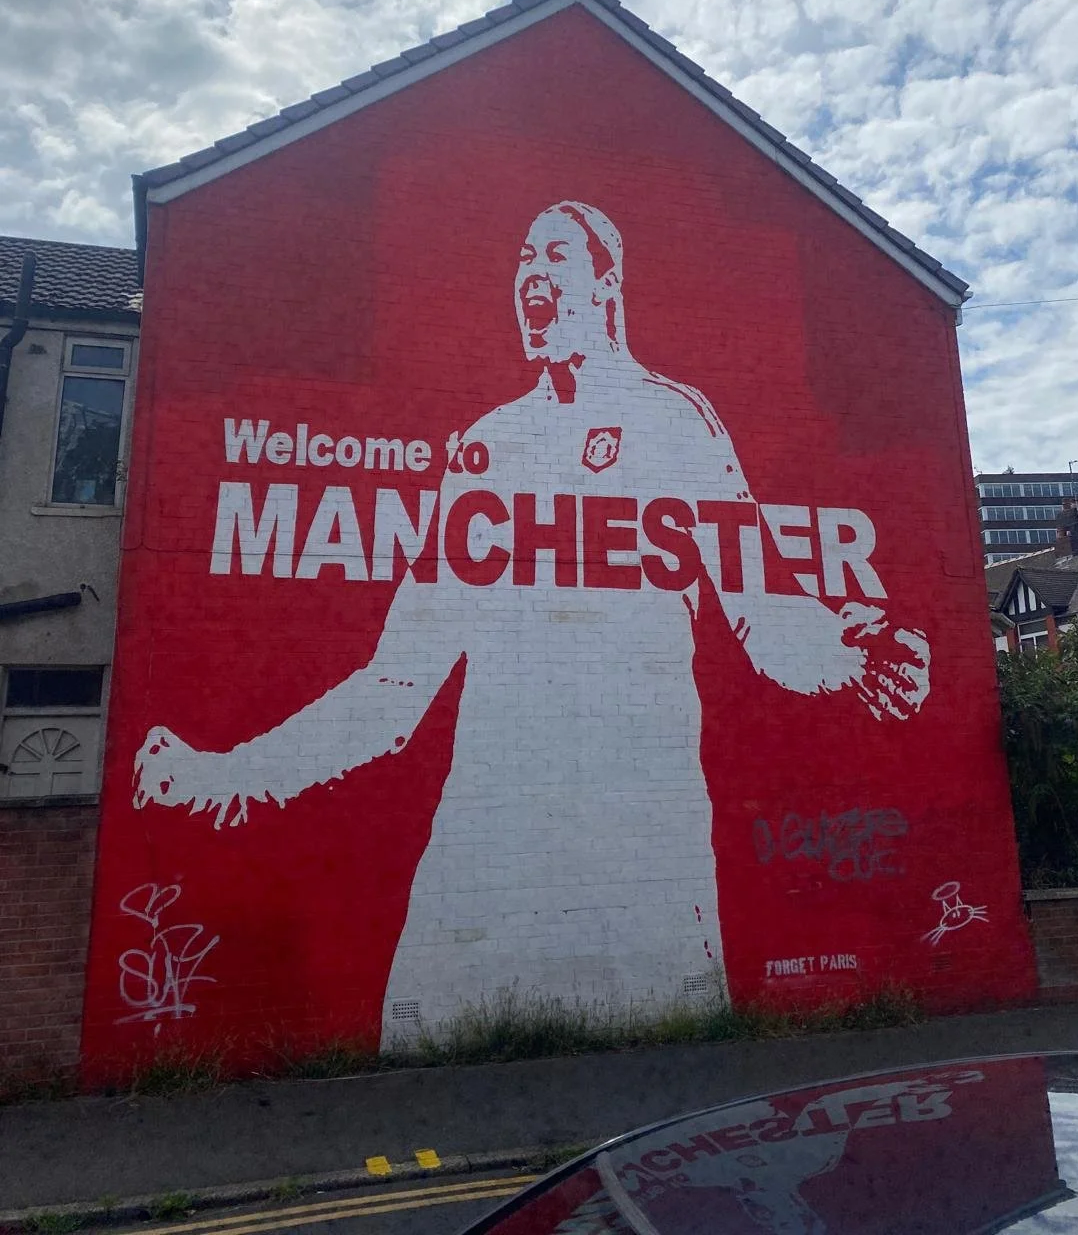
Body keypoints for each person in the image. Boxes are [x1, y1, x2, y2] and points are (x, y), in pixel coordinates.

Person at [134, 202, 930, 1046]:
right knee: (424, 1061)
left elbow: (765, 615)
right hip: (482, 848)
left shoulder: (677, 421)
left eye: (555, 256)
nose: (531, 275)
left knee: (670, 1096)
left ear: (608, 285)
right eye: (523, 259)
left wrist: (852, 652)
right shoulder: (489, 448)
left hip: (646, 856)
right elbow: (396, 684)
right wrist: (235, 776)